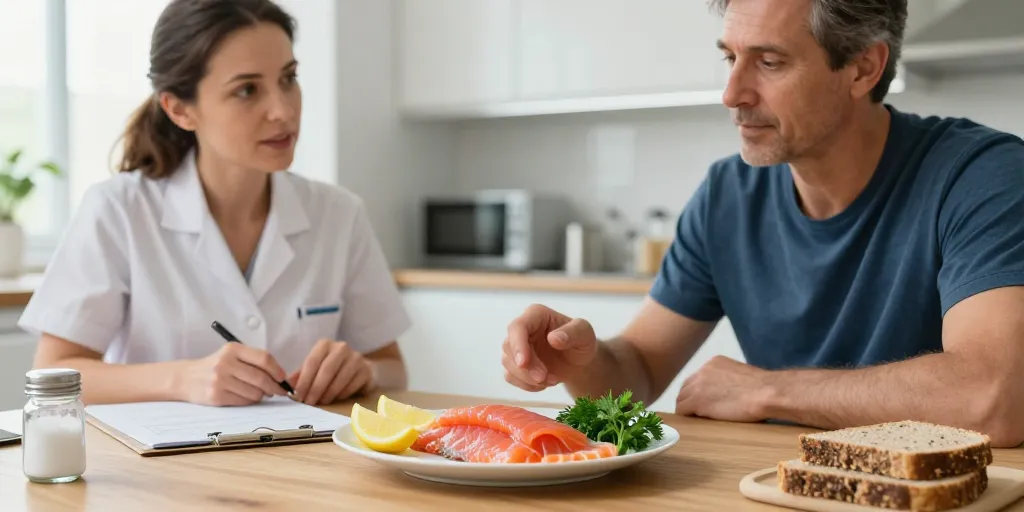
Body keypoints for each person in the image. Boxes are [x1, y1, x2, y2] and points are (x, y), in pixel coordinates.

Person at [501, 0, 1024, 447]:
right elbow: (636, 370)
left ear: (863, 68)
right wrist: (580, 359)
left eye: (769, 62)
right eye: (730, 58)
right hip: (779, 483)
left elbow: (994, 397)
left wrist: (769, 390)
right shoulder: (727, 195)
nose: (732, 93)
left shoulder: (983, 176)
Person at [19, 0, 411, 407]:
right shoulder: (118, 209)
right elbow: (54, 372)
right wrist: (181, 379)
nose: (282, 110)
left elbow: (392, 368)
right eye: (247, 90)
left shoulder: (339, 214)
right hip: (161, 449)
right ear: (180, 109)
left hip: (304, 446)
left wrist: (364, 371)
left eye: (288, 78)